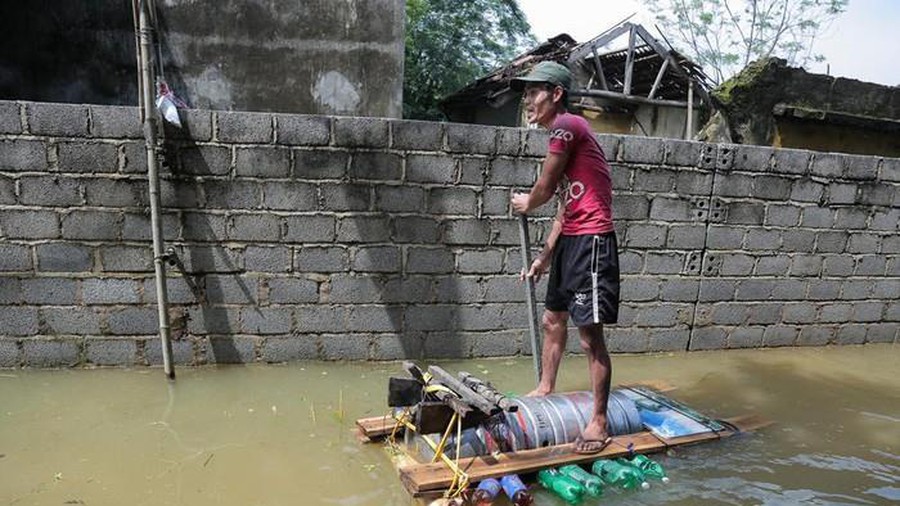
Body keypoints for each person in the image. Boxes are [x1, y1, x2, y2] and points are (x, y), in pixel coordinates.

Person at [509, 61, 620, 455]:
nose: (528, 100)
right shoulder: (564, 134)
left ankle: (599, 420)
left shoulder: (567, 126)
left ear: (556, 95)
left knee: (590, 337)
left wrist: (527, 201)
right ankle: (545, 387)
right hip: (572, 240)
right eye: (525, 93)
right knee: (552, 319)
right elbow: (563, 207)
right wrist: (543, 257)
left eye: (534, 91)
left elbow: (545, 186)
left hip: (592, 242)